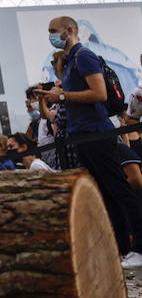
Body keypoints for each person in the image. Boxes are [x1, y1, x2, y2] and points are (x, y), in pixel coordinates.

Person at [36, 15, 142, 267]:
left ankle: (139, 247)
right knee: (104, 192)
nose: (50, 35)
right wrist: (56, 96)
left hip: (95, 132)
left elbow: (99, 93)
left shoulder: (84, 56)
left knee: (119, 190)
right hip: (80, 134)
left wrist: (62, 97)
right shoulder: (71, 61)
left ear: (69, 31)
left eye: (54, 30)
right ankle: (122, 249)